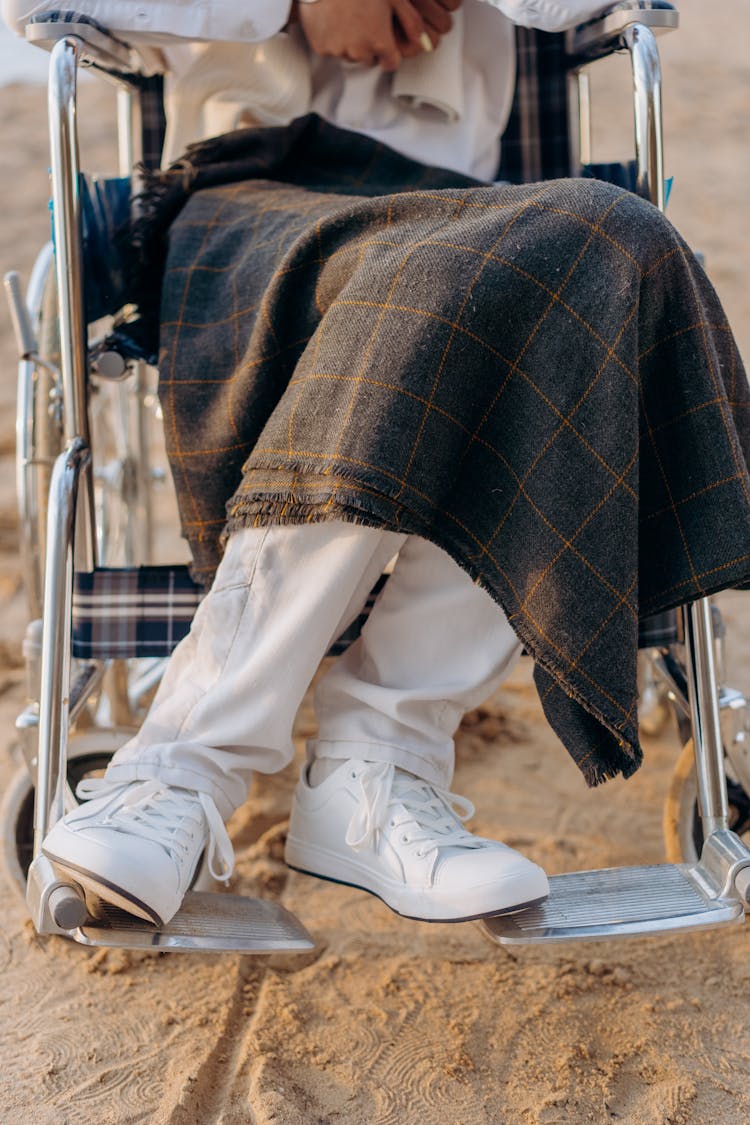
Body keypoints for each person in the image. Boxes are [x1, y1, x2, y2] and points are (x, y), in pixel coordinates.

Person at [9, 0, 750, 929]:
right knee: (477, 284)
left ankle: (376, 770)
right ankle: (181, 766)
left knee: (615, 234)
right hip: (253, 186)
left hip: (474, 202)